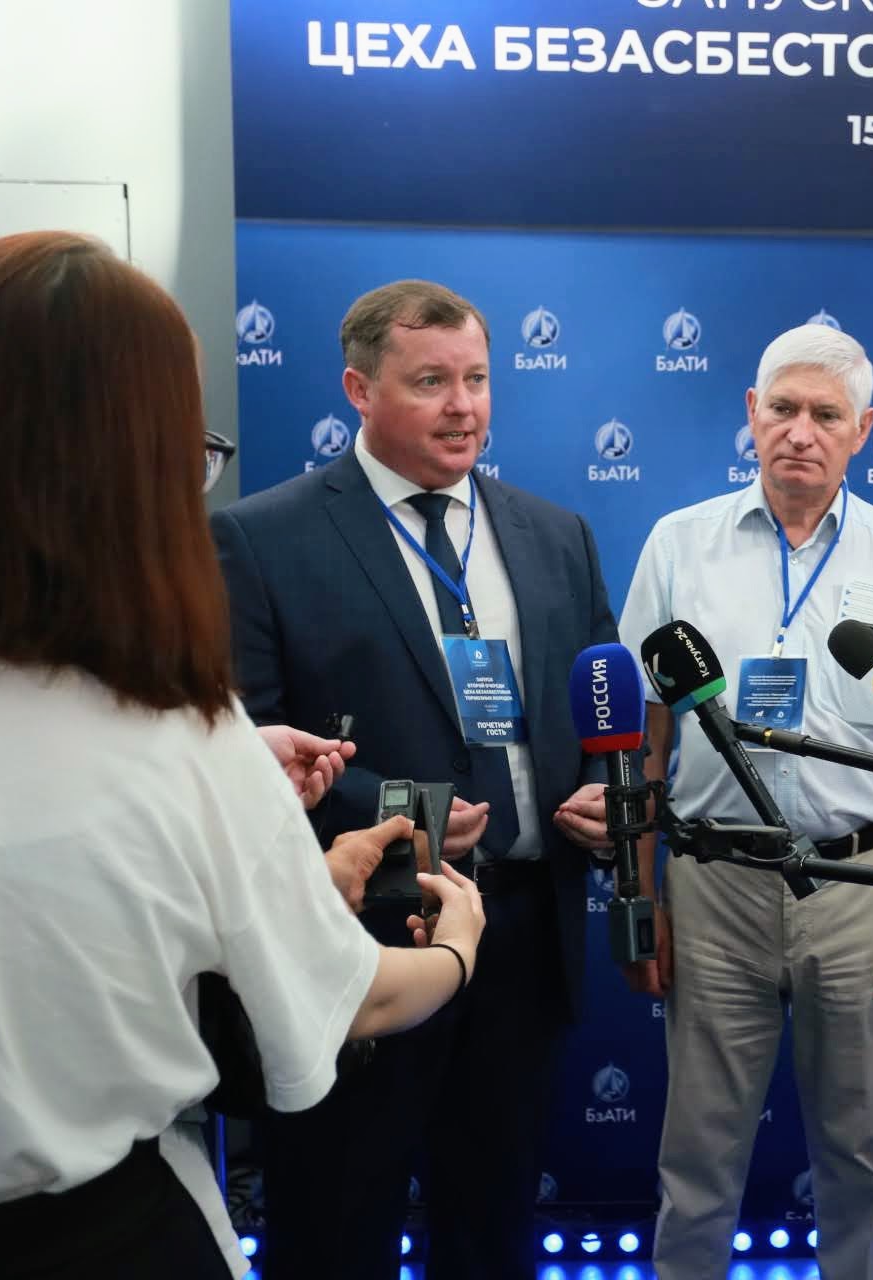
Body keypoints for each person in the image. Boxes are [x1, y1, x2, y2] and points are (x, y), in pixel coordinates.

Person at [0, 231, 484, 1279]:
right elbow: (353, 996)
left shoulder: (203, 748)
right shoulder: (182, 734)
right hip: (108, 1236)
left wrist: (274, 860)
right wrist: (457, 943)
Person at [212, 279, 620, 1279]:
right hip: (358, 936)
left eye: (477, 379)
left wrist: (610, 789)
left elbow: (603, 706)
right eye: (431, 382)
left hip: (523, 933)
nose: (463, 406)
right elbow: (238, 751)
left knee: (493, 1228)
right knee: (336, 1223)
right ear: (359, 389)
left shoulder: (555, 533)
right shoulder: (263, 538)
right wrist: (411, 818)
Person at [617, 323, 873, 1280]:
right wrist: (641, 896)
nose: (800, 432)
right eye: (782, 408)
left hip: (864, 885)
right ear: (751, 413)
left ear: (863, 430)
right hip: (713, 882)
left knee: (859, 1149)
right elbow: (642, 737)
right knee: (697, 1147)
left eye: (827, 415)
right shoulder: (678, 545)